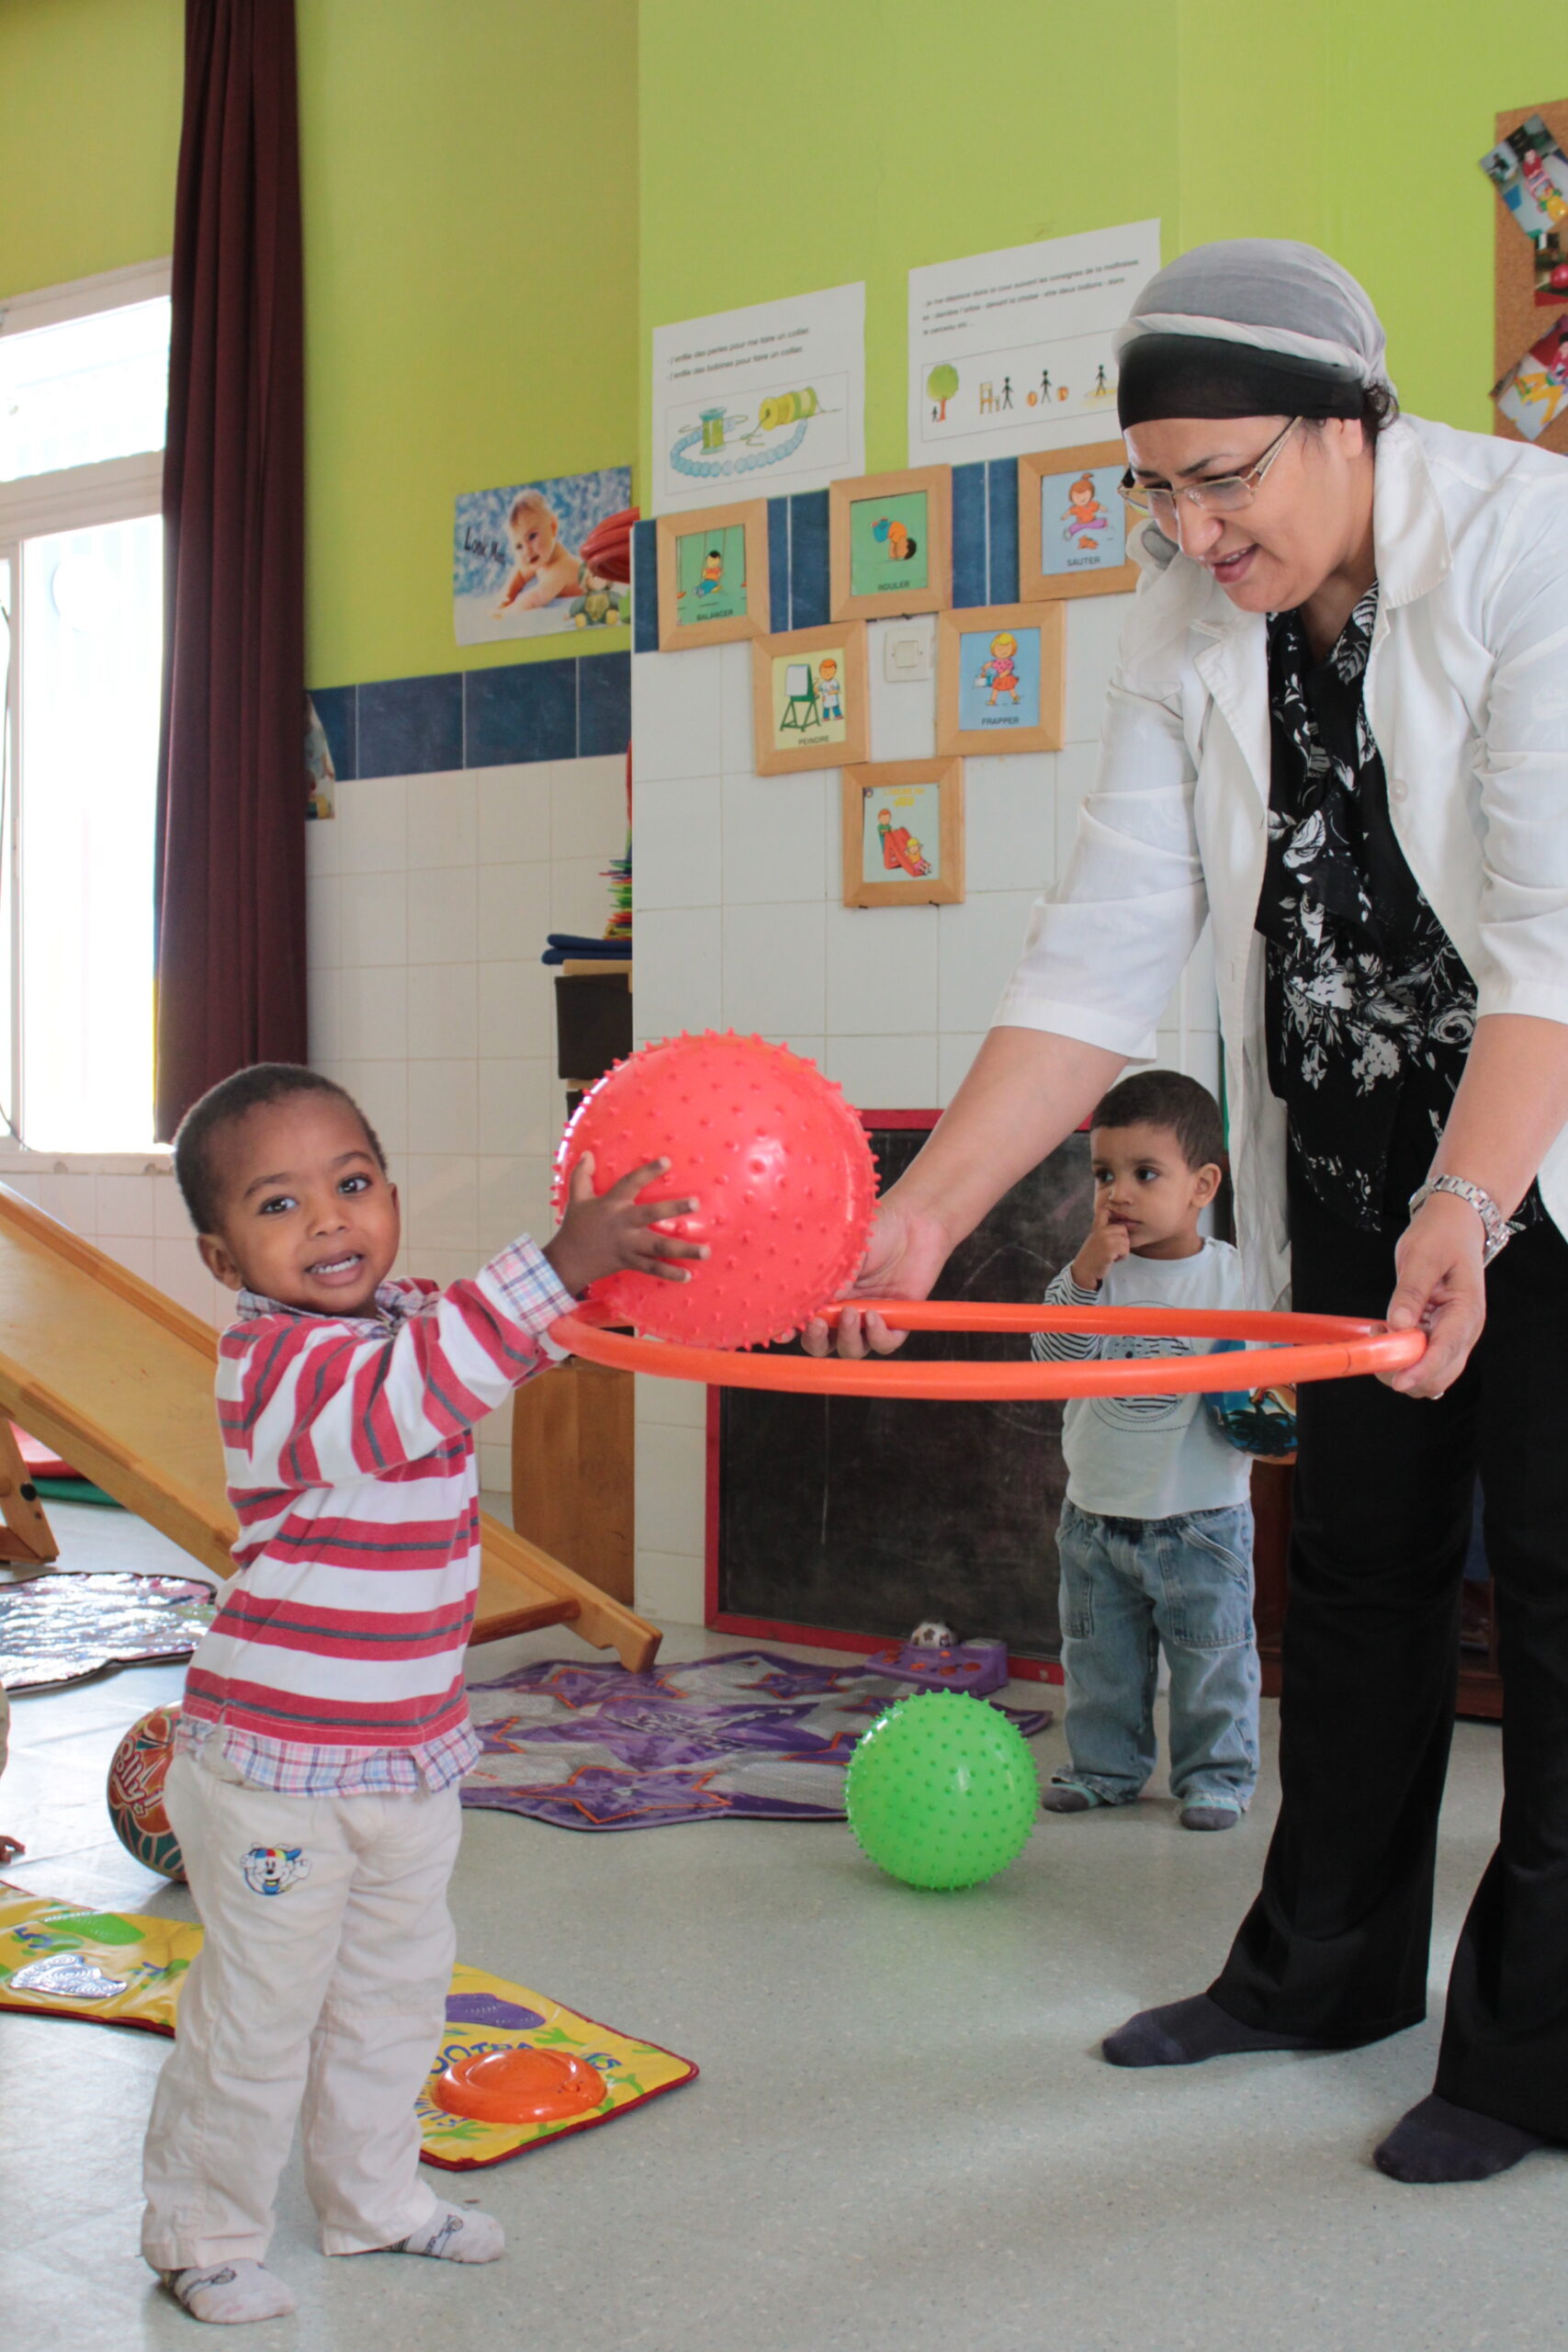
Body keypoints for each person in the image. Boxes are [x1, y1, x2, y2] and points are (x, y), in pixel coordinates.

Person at [807, 239, 1568, 2186]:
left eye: (1223, 480)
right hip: (1351, 1142)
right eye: (1155, 489)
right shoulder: (1184, 622)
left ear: (1348, 422)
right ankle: (1320, 1974)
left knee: (1557, 1594)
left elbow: (1555, 945)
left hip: (1540, 1145)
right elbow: (1101, 947)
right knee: (1356, 1572)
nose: (1191, 529)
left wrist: (1471, 1198)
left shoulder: (1530, 547)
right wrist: (923, 1213)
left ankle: (1532, 2059)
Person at [140, 1065, 702, 2323]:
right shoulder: (273, 1366)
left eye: (352, 1184)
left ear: (391, 1195)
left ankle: (374, 2200)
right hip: (276, 1769)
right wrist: (551, 1264)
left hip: (406, 1752)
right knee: (260, 2012)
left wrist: (638, 1268)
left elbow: (530, 1340)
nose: (328, 1220)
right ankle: (201, 2232)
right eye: (279, 1205)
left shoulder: (415, 1323)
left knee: (393, 1997)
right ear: (223, 1259)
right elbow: (414, 1397)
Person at [1033, 1070, 1258, 1831]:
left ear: (1202, 1186)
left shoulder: (1232, 1277)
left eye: (1144, 1174)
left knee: (1210, 1655)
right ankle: (1103, 1768)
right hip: (1094, 1514)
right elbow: (1050, 1361)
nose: (1117, 1194)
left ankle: (1215, 1776)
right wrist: (1084, 1274)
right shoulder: (1091, 1278)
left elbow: (1269, 1383)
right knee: (1099, 1657)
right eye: (1104, 1174)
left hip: (1200, 1517)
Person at [493, 486, 581, 614]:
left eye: (532, 536)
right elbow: (520, 573)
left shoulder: (562, 568)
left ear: (553, 526)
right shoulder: (541, 559)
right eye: (519, 546)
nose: (527, 552)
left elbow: (533, 600)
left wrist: (503, 614)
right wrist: (507, 597)